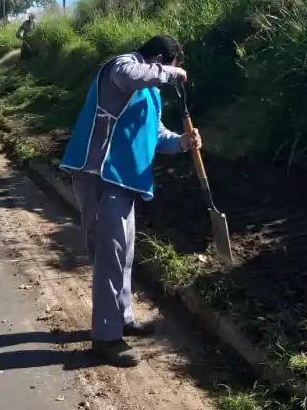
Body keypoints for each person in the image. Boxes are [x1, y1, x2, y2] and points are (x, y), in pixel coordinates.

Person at [60, 34, 201, 367]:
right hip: (99, 175)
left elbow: (155, 136)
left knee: (123, 255)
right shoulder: (122, 67)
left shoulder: (150, 93)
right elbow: (131, 74)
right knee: (110, 256)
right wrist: (171, 74)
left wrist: (182, 142)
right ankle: (106, 338)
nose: (169, 76)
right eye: (171, 67)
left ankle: (121, 316)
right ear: (162, 60)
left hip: (123, 181)